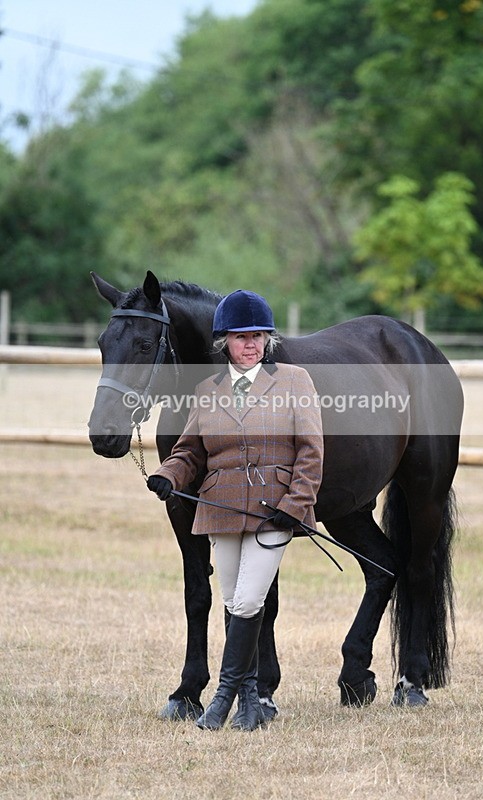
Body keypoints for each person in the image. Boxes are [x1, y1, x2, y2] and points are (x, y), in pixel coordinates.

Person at [147, 289, 323, 731]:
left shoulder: (296, 381)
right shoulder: (207, 390)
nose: (251, 345)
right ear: (223, 341)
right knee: (231, 601)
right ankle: (250, 702)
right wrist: (168, 476)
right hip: (221, 509)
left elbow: (311, 451)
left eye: (259, 336)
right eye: (241, 337)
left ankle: (221, 698)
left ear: (269, 340)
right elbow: (188, 451)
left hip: (274, 513)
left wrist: (295, 504)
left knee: (246, 600)